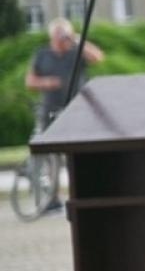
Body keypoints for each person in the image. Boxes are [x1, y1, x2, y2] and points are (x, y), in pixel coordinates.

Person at [24, 18, 103, 213]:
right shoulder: (42, 54)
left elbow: (98, 57)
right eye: (59, 34)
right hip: (50, 109)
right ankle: (52, 199)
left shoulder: (77, 52)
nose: (62, 38)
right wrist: (47, 83)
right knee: (52, 156)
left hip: (77, 110)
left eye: (64, 34)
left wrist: (76, 39)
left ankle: (82, 194)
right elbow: (30, 81)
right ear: (52, 36)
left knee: (78, 153)